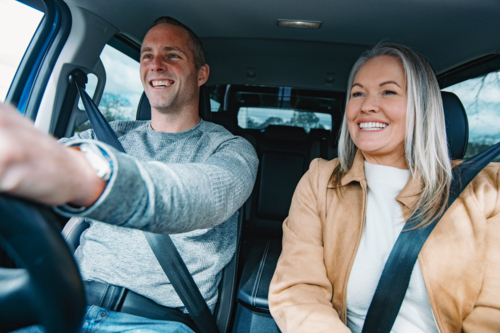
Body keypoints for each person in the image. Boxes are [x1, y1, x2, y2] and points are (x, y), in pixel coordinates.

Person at [0, 16, 258, 332]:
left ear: (201, 74)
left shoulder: (232, 149)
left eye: (172, 55)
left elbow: (202, 197)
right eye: (147, 56)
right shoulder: (109, 135)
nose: (156, 65)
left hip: (156, 323)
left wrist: (87, 176)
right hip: (67, 306)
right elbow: (55, 156)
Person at [268, 43, 500, 332]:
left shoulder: (487, 189)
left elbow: (493, 314)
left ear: (422, 106)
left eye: (388, 91)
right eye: (357, 93)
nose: (367, 106)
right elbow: (299, 291)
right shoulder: (321, 181)